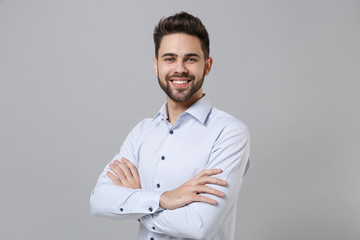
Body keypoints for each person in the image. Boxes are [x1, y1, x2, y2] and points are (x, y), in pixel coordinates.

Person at [90, 11, 250, 240]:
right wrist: (164, 199)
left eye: (191, 59)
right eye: (169, 58)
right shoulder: (142, 132)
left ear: (208, 65)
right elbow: (99, 200)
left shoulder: (229, 133)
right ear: (156, 65)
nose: (180, 69)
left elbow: (198, 225)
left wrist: (138, 203)